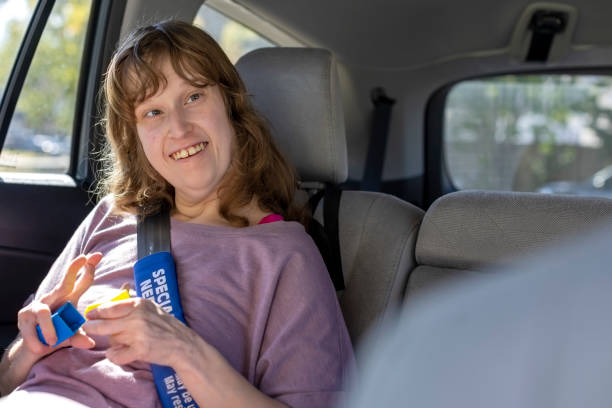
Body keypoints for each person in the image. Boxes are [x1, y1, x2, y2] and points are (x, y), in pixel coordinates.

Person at [0, 20, 354, 407]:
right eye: (152, 112)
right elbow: (6, 381)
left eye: (193, 97)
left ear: (230, 104)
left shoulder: (285, 255)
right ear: (135, 139)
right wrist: (28, 349)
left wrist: (183, 350)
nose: (179, 128)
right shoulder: (110, 216)